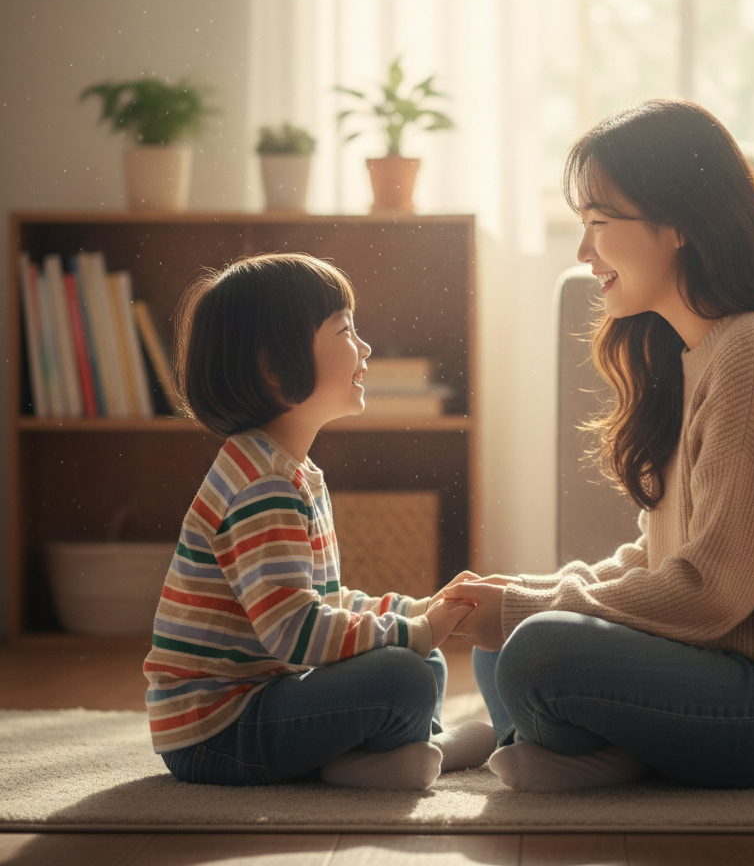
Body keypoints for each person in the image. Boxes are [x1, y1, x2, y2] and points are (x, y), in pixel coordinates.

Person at [446, 98, 754, 793]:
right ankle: (559, 745)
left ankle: (560, 745)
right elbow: (660, 557)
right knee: (508, 640)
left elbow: (712, 592)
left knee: (538, 651)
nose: (583, 253)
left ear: (677, 224)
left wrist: (532, 611)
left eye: (598, 225)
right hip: (739, 671)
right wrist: (530, 593)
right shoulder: (692, 351)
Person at [143, 253, 495, 789]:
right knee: (404, 671)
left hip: (261, 699)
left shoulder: (288, 470)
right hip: (217, 734)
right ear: (275, 368)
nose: (366, 348)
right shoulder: (262, 486)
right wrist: (414, 631)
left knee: (422, 661)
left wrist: (413, 612)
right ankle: (391, 758)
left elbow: (321, 603)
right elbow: (294, 631)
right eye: (346, 330)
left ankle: (386, 757)